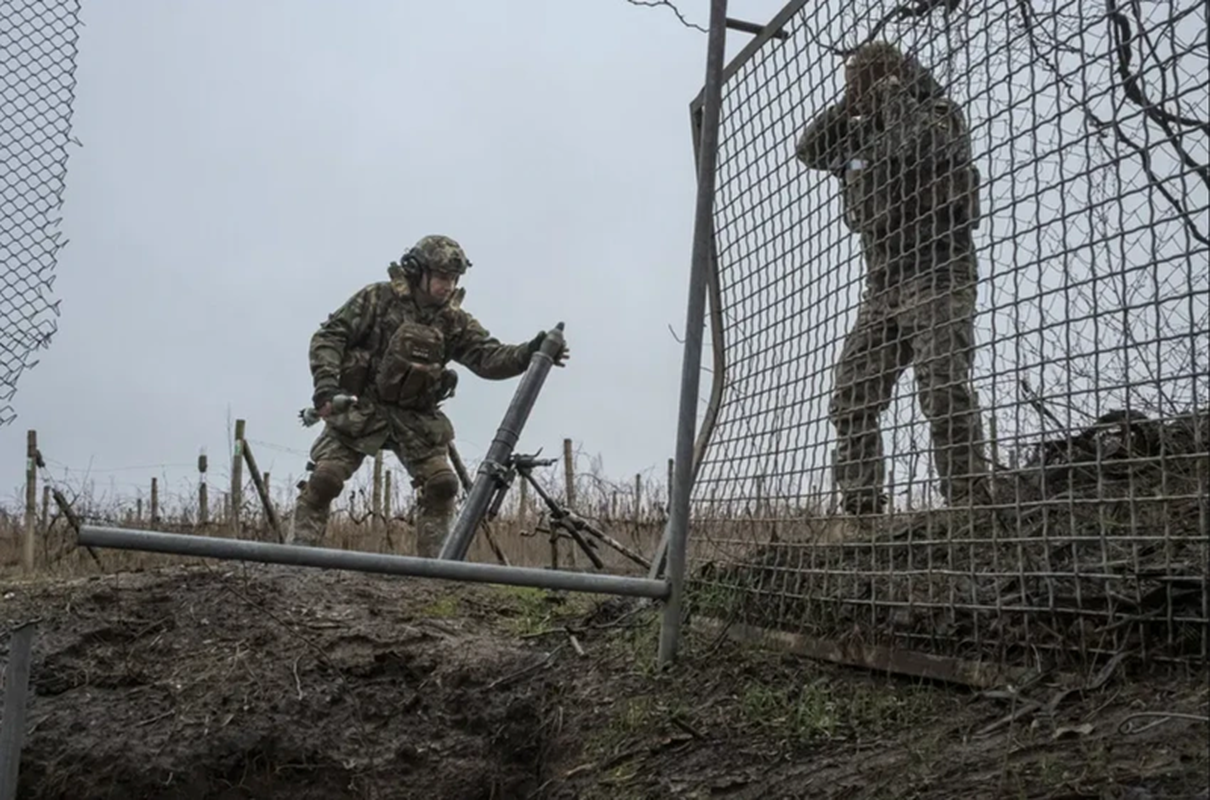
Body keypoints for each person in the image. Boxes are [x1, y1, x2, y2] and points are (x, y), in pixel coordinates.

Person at [794, 40, 987, 515]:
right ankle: (863, 514)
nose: (855, 95)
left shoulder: (937, 113)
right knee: (851, 397)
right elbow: (809, 150)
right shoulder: (858, 138)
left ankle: (970, 507)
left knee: (942, 387)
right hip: (883, 286)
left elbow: (919, 147)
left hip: (938, 272)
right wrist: (851, 104)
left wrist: (892, 92)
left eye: (861, 83)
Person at [290, 234, 569, 555]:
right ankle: (297, 562)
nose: (447, 286)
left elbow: (488, 357)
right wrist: (326, 385)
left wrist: (530, 351)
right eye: (441, 277)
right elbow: (330, 335)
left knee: (442, 485)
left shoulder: (453, 321)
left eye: (453, 279)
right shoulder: (377, 299)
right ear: (417, 271)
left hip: (416, 418)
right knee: (325, 479)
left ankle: (435, 574)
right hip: (361, 408)